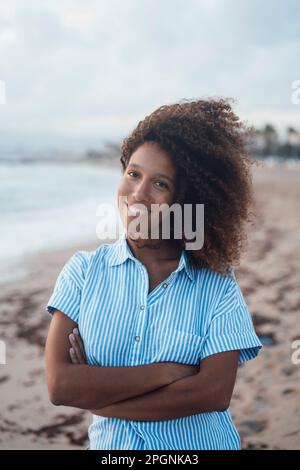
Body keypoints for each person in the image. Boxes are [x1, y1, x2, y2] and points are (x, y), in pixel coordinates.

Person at [44, 98, 262, 450]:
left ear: (189, 201)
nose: (138, 194)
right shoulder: (83, 273)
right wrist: (167, 372)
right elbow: (59, 386)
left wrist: (98, 396)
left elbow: (213, 394)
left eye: (160, 184)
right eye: (133, 174)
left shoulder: (217, 287)